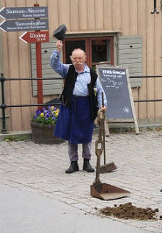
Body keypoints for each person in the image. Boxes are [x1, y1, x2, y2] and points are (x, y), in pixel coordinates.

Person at [51, 40, 107, 173]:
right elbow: (54, 65)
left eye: (80, 58)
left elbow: (100, 90)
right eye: (75, 58)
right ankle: (73, 163)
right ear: (72, 59)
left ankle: (87, 162)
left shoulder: (91, 74)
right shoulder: (67, 69)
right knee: (72, 136)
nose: (77, 61)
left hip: (86, 106)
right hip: (70, 105)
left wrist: (102, 105)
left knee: (86, 135)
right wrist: (58, 50)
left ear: (85, 59)